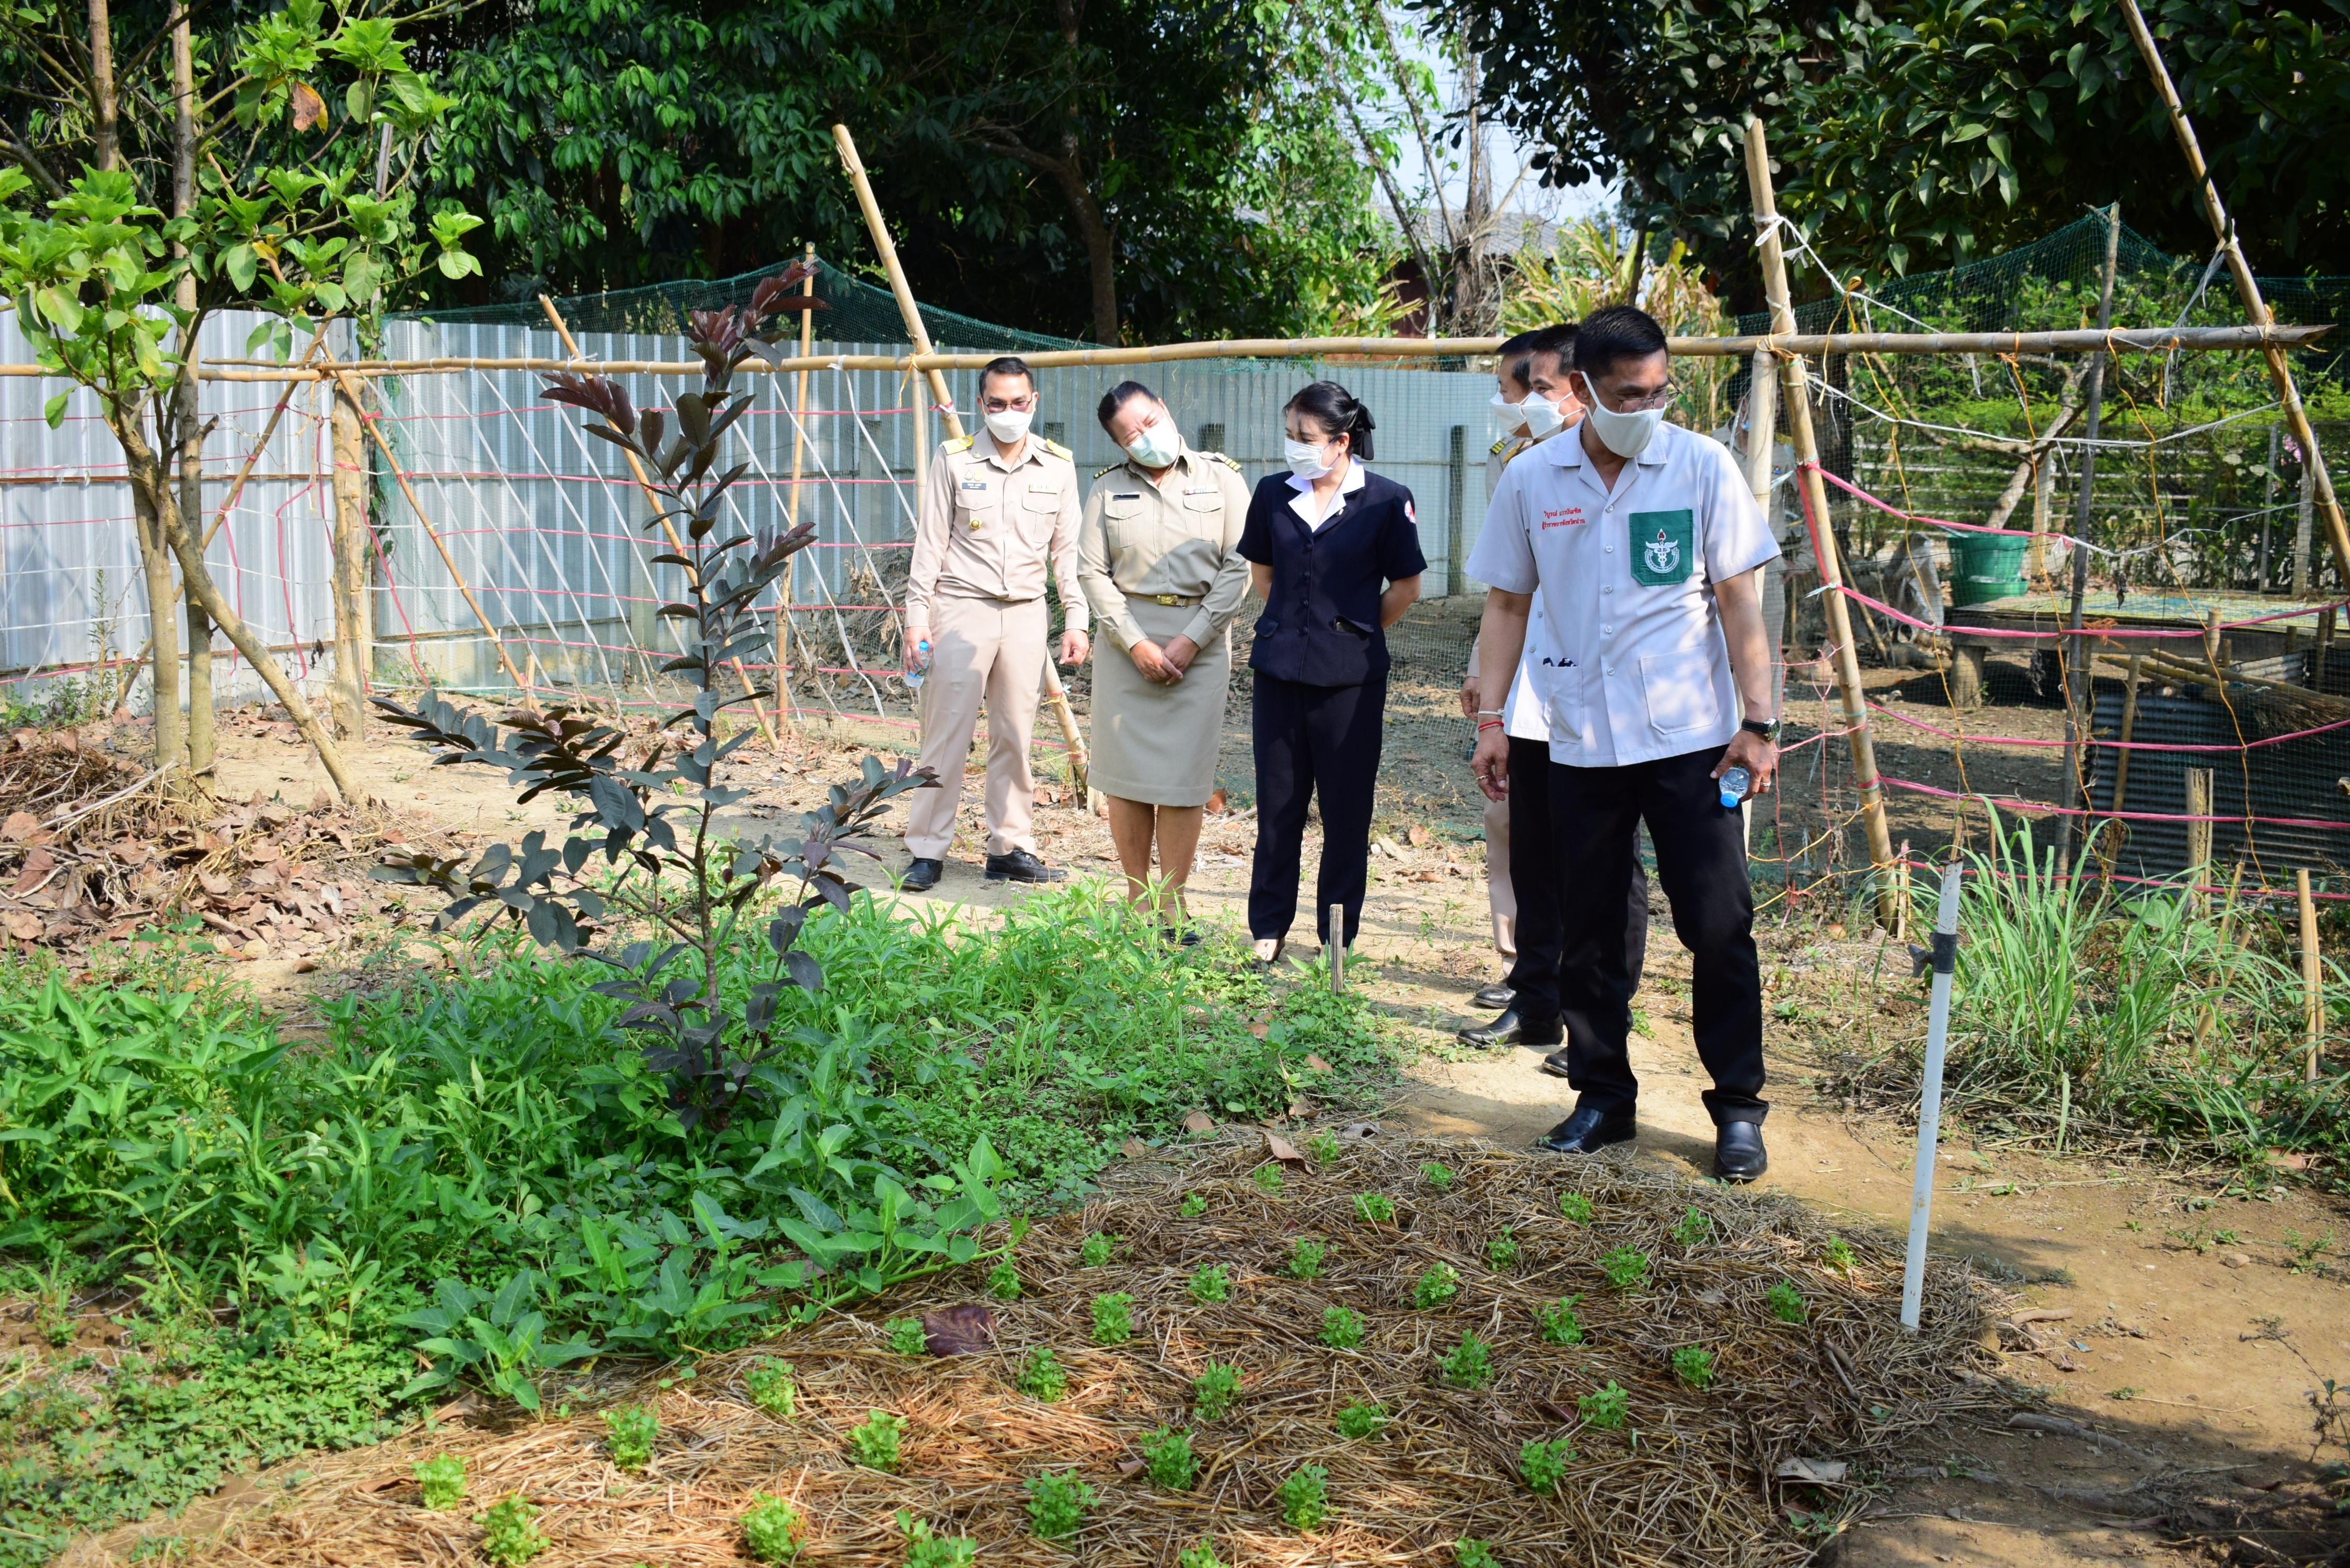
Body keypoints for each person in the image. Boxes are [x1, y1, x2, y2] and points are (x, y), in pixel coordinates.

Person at [1466, 304, 1782, 1183]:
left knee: (1718, 923)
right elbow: (1506, 606)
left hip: (1693, 745)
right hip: (1577, 740)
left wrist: (1759, 724)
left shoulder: (1702, 466)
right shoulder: (1534, 480)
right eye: (1627, 395)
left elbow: (1741, 603)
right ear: (1581, 390)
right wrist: (1494, 721)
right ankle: (1602, 1096)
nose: (1648, 407)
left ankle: (1739, 1109)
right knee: (1589, 932)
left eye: (1659, 392)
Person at [1456, 324, 1653, 1052]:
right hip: (1534, 689)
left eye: (1541, 389)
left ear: (1584, 388)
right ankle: (1535, 1000)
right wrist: (1490, 687)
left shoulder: (1648, 469)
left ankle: (1600, 1018)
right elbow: (1504, 598)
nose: (1530, 404)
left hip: (1613, 697)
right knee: (1530, 846)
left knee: (1606, 860)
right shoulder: (1521, 471)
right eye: (1527, 389)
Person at [1238, 381, 1426, 965]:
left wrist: (1354, 634)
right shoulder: (1272, 494)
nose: (1293, 447)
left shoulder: (1386, 501)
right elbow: (1263, 576)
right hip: (1278, 674)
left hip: (1350, 681)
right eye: (1289, 436)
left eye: (1305, 438)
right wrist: (1294, 630)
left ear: (1341, 441)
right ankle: (1267, 926)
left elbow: (1406, 588)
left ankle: (1336, 938)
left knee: (1346, 815)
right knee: (1278, 809)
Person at [899, 356, 1090, 891]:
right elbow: (929, 544)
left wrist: (1075, 618)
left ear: (1035, 402)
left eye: (1019, 402)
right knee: (946, 736)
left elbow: (1066, 555)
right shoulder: (955, 459)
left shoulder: (1057, 465)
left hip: (1026, 613)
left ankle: (1009, 845)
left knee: (1015, 735)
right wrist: (916, 618)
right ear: (981, 405)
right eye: (998, 403)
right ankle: (926, 849)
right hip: (961, 610)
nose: (1009, 412)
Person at [1078, 382, 1252, 936]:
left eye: (1150, 420)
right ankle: (1136, 898)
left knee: (1183, 779)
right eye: (1131, 434)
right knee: (1125, 777)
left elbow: (1240, 565)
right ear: (1118, 445)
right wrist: (1134, 641)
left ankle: (1172, 904)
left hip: (1198, 642)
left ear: (1166, 411)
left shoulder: (1221, 478)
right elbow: (1090, 572)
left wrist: (1191, 638)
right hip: (1125, 643)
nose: (1146, 436)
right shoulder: (1106, 491)